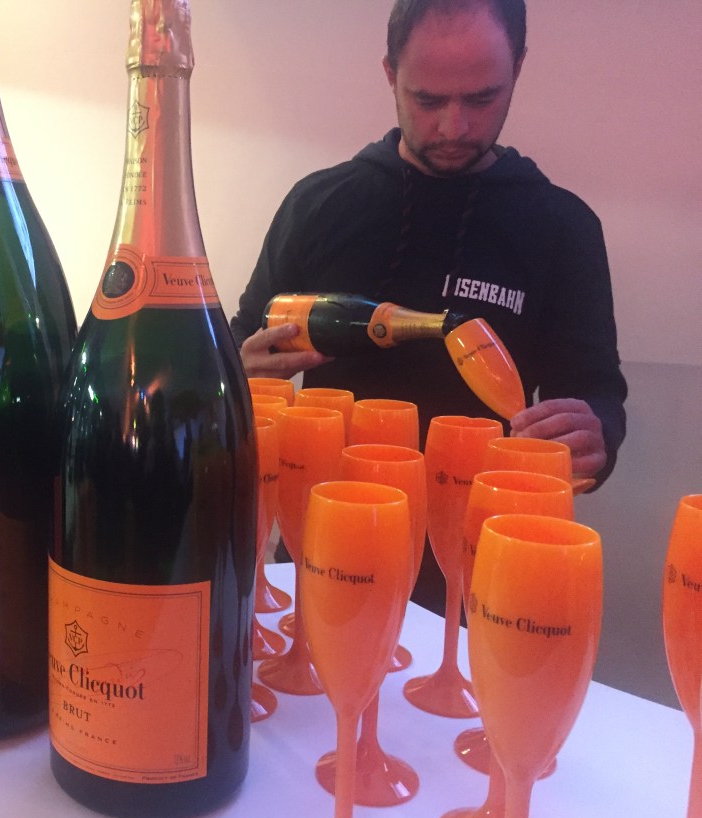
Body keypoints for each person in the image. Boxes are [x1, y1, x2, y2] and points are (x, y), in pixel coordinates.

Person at [230, 0, 627, 613]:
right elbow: (239, 346)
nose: (453, 127)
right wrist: (236, 377)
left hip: (485, 581)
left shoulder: (563, 228)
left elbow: (596, 392)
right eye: (428, 99)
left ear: (518, 68)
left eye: (482, 98)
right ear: (390, 73)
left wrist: (594, 433)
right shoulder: (317, 205)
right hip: (322, 561)